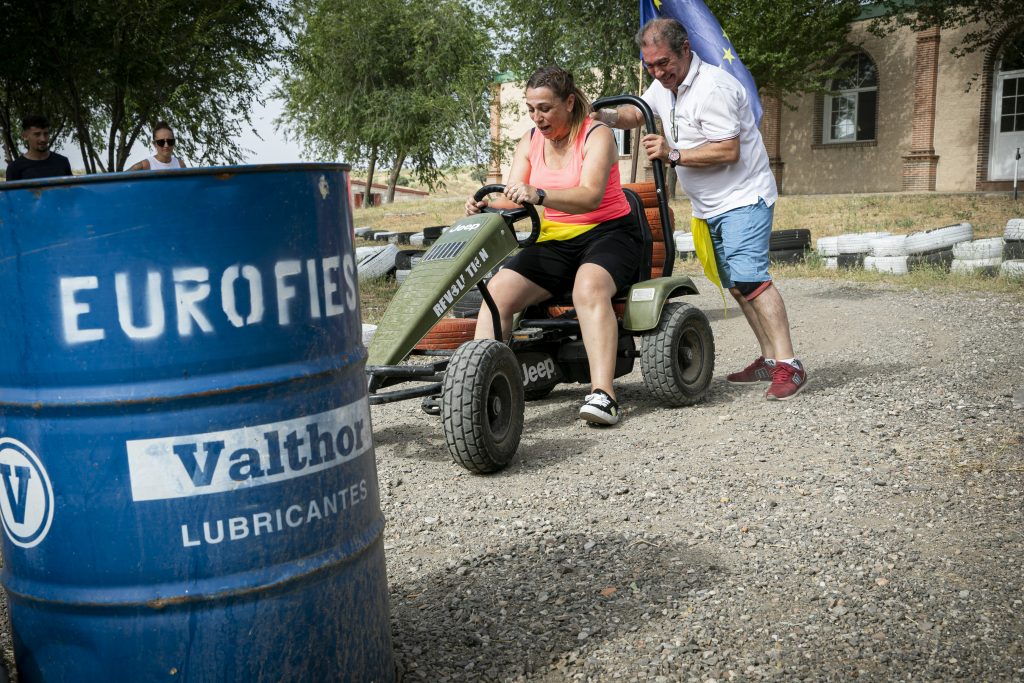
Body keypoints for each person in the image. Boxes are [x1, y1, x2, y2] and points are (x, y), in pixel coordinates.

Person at [593, 17, 808, 401]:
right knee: (737, 286)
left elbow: (728, 150)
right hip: (709, 206)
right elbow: (635, 114)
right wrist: (601, 115)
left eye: (663, 63)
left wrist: (673, 153)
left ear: (685, 49)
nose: (658, 73)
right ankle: (769, 359)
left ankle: (790, 364)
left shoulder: (714, 88)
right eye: (650, 66)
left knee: (752, 279)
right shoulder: (665, 86)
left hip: (743, 198)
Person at [465, 65, 642, 425]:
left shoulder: (597, 135)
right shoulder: (529, 141)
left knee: (588, 288)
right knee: (497, 292)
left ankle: (604, 394)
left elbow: (590, 196)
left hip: (609, 234)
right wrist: (486, 203)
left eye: (545, 108)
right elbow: (514, 196)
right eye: (531, 109)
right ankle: (477, 389)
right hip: (554, 240)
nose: (537, 117)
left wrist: (540, 194)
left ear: (569, 102)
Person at [4, 115, 73, 181]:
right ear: (25, 136)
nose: (43, 139)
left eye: (46, 134)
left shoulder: (62, 162)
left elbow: (71, 188)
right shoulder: (14, 168)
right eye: (37, 134)